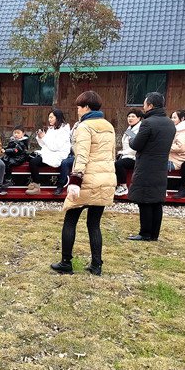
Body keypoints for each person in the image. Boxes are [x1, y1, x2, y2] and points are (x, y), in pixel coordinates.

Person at [50, 91, 116, 276]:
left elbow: (82, 155)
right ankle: (96, 265)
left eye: (79, 107)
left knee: (70, 220)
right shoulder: (109, 126)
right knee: (94, 224)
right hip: (105, 178)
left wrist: (75, 180)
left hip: (87, 178)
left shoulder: (84, 127)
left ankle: (66, 262)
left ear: (86, 107)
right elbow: (111, 155)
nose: (77, 110)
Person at [126, 92, 175, 241]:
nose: (143, 106)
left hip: (146, 165)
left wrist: (130, 138)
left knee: (145, 200)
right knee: (156, 201)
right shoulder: (169, 123)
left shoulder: (148, 123)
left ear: (150, 105)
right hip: (161, 166)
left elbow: (136, 144)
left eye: (145, 104)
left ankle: (145, 233)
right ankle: (154, 234)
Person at [26, 109, 72, 195]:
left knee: (34, 162)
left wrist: (44, 137)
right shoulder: (52, 128)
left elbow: (55, 147)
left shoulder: (64, 130)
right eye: (49, 117)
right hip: (49, 153)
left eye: (51, 117)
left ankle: (37, 186)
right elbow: (44, 145)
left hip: (58, 155)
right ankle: (35, 183)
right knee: (28, 157)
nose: (49, 119)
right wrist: (40, 137)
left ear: (57, 118)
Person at [114, 109, 142, 196]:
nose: (130, 118)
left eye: (133, 116)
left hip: (135, 157)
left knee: (119, 164)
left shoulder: (139, 129)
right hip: (127, 155)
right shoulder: (130, 129)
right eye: (129, 116)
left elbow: (136, 147)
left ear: (139, 118)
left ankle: (123, 186)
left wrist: (123, 152)